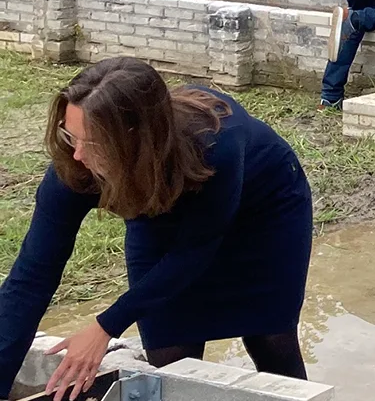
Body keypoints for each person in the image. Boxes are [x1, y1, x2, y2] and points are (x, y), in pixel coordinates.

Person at [0, 59, 314, 396]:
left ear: (135, 138)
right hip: (158, 213)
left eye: (90, 143)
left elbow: (195, 250)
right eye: (69, 134)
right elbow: (31, 278)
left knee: (271, 340)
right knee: (170, 353)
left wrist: (104, 327)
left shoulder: (215, 141)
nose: (76, 155)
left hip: (262, 215)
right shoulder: (74, 167)